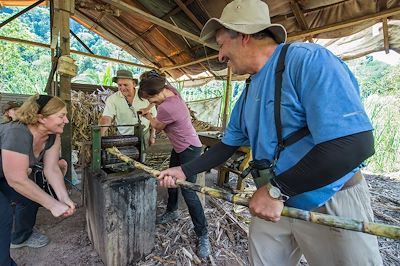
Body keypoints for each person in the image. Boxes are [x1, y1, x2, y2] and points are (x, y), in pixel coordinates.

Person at [157, 0, 383, 265]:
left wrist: (278, 190)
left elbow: (354, 143)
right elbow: (227, 144)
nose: (219, 56)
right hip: (273, 201)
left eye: (221, 45)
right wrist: (185, 171)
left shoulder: (307, 61)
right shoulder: (250, 89)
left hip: (328, 199)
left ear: (243, 36)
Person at [138, 70, 211, 258]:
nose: (152, 104)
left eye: (152, 100)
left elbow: (157, 126)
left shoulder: (167, 108)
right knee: (169, 175)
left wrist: (148, 116)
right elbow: (154, 98)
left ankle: (203, 235)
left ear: (157, 94)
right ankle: (172, 211)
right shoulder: (169, 89)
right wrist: (149, 106)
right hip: (180, 147)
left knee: (188, 190)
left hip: (190, 149)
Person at [0, 94, 75, 266]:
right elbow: (16, 179)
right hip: (9, 176)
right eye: (61, 116)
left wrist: (63, 198)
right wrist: (53, 205)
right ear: (41, 118)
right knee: (2, 215)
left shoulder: (52, 135)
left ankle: (20, 237)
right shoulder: (17, 132)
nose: (67, 120)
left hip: (4, 174)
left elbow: (52, 168)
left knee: (29, 198)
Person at [99, 70, 157, 155]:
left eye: (125, 85)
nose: (122, 88)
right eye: (119, 85)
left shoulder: (145, 96)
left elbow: (154, 117)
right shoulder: (113, 99)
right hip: (123, 136)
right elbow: (107, 117)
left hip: (144, 134)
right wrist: (99, 135)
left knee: (142, 159)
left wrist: (152, 135)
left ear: (134, 84)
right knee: (125, 159)